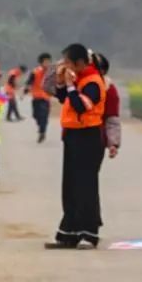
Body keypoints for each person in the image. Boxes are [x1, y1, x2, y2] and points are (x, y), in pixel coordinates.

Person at [45, 43, 107, 249]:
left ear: (80, 63)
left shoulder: (93, 82)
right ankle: (68, 233)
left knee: (86, 186)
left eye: (68, 62)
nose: (65, 65)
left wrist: (71, 86)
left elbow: (81, 105)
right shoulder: (79, 79)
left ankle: (89, 233)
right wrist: (63, 84)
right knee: (70, 186)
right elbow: (65, 100)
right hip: (72, 135)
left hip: (88, 137)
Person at [93, 51, 122, 160]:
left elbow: (112, 119)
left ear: (103, 71)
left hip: (96, 138)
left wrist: (113, 143)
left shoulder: (109, 89)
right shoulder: (74, 83)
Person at [24, 54, 53, 143]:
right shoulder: (35, 72)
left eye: (49, 62)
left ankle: (42, 132)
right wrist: (26, 89)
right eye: (45, 62)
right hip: (36, 96)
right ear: (41, 62)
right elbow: (29, 82)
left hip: (46, 97)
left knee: (44, 115)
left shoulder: (52, 72)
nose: (47, 64)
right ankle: (41, 127)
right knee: (36, 115)